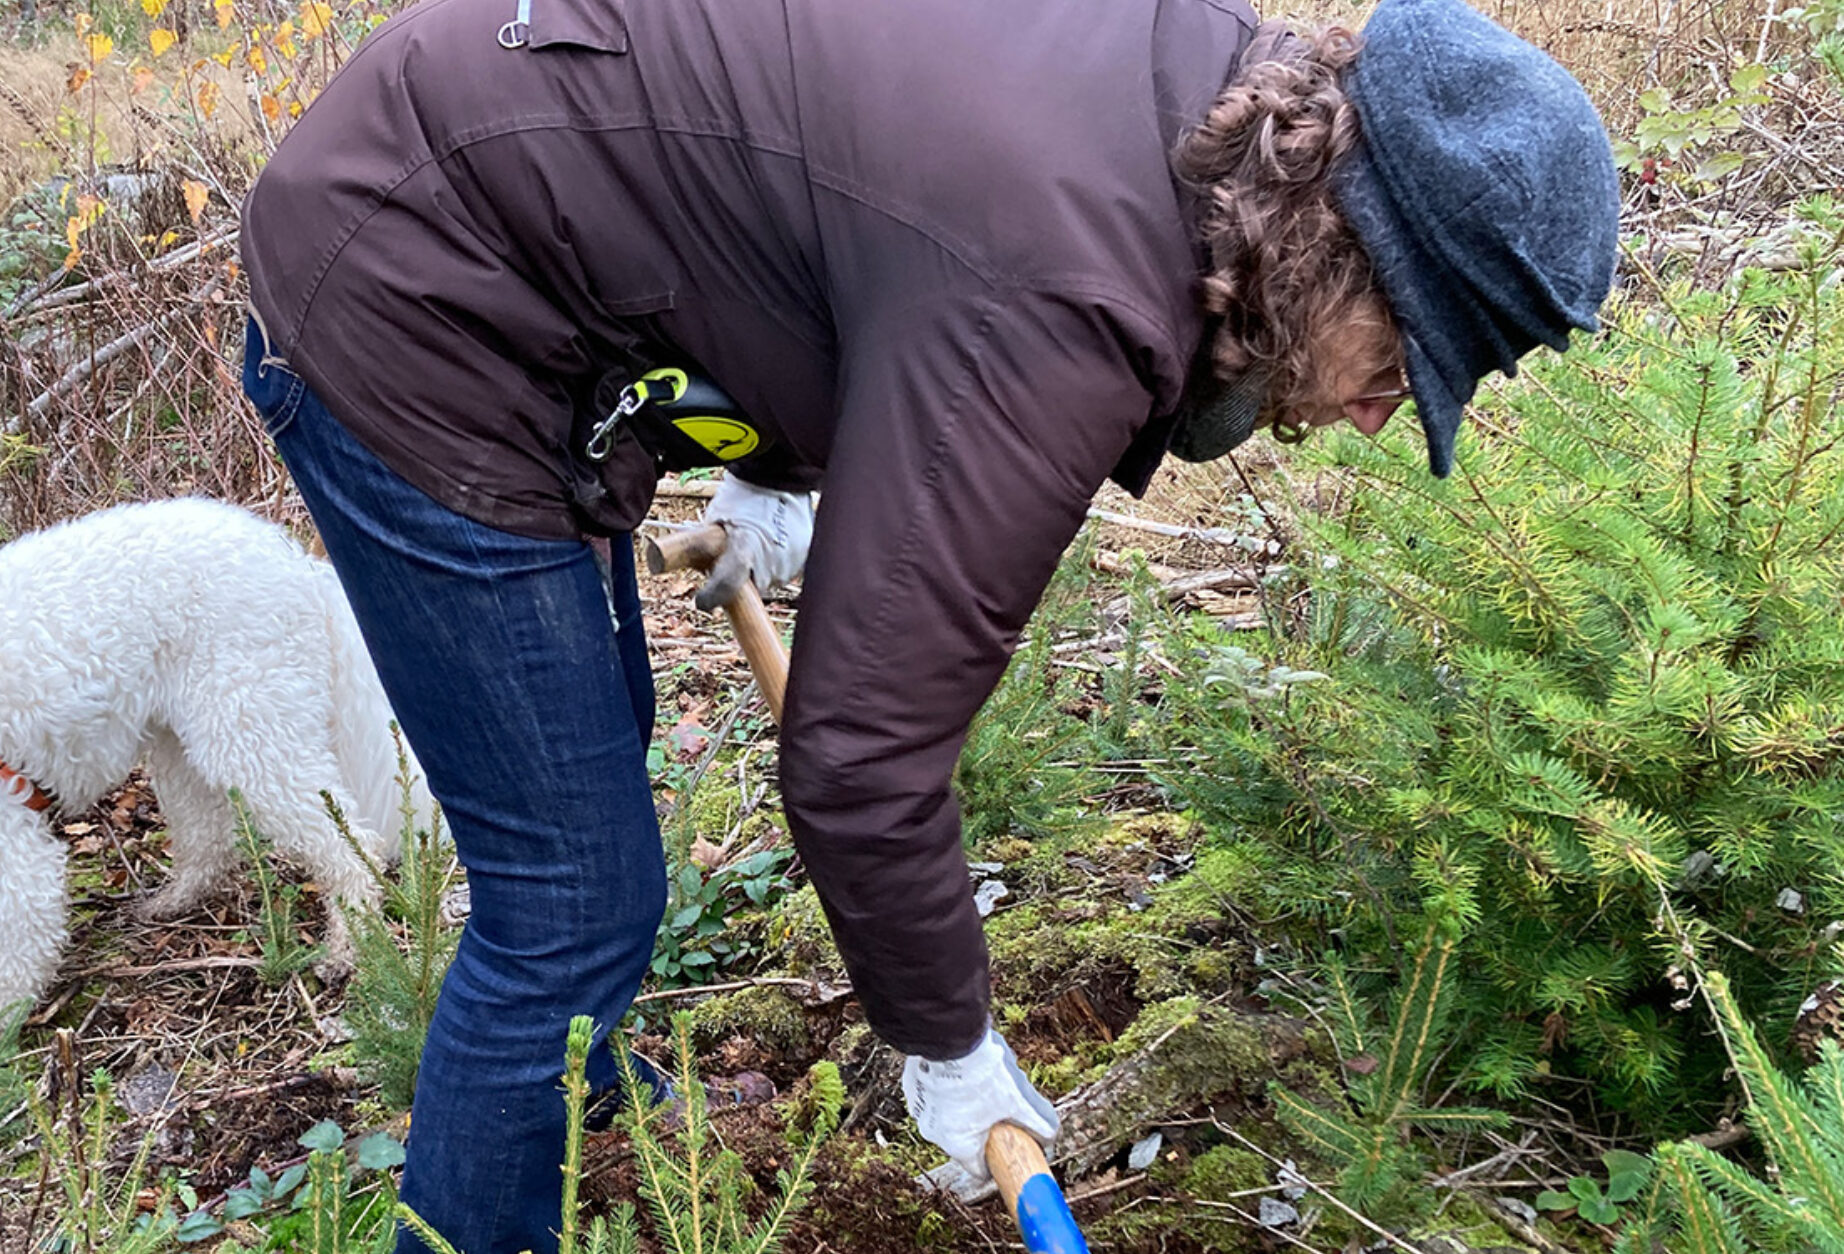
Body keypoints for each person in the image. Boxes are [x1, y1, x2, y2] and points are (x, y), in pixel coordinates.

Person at [233, 0, 1618, 1248]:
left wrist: (772, 463)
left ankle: (564, 1087)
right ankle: (484, 1193)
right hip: (412, 285)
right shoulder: (1070, 294)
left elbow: (828, 185)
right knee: (570, 897)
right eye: (1403, 367)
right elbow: (859, 760)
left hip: (496, 186)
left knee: (597, 764)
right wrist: (949, 1043)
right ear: (1341, 256)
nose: (1375, 418)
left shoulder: (1186, 85)